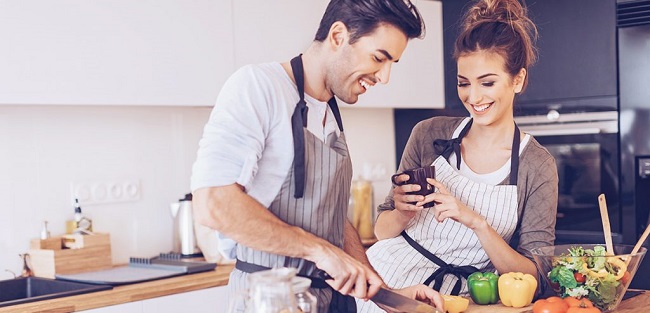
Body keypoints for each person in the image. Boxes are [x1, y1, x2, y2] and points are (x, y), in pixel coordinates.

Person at [190, 0, 445, 312]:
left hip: (333, 301)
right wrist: (321, 252)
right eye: (379, 58)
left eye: (392, 63)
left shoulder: (329, 112)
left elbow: (332, 219)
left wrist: (385, 294)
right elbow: (213, 204)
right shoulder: (258, 87)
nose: (385, 77)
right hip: (273, 299)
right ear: (338, 36)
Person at [357, 0, 558, 311]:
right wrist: (401, 212)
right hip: (388, 280)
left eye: (487, 83)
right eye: (464, 83)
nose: (473, 97)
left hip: (465, 298)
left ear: (517, 80)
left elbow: (535, 277)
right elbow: (382, 231)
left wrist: (476, 222)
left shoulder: (536, 165)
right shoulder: (428, 133)